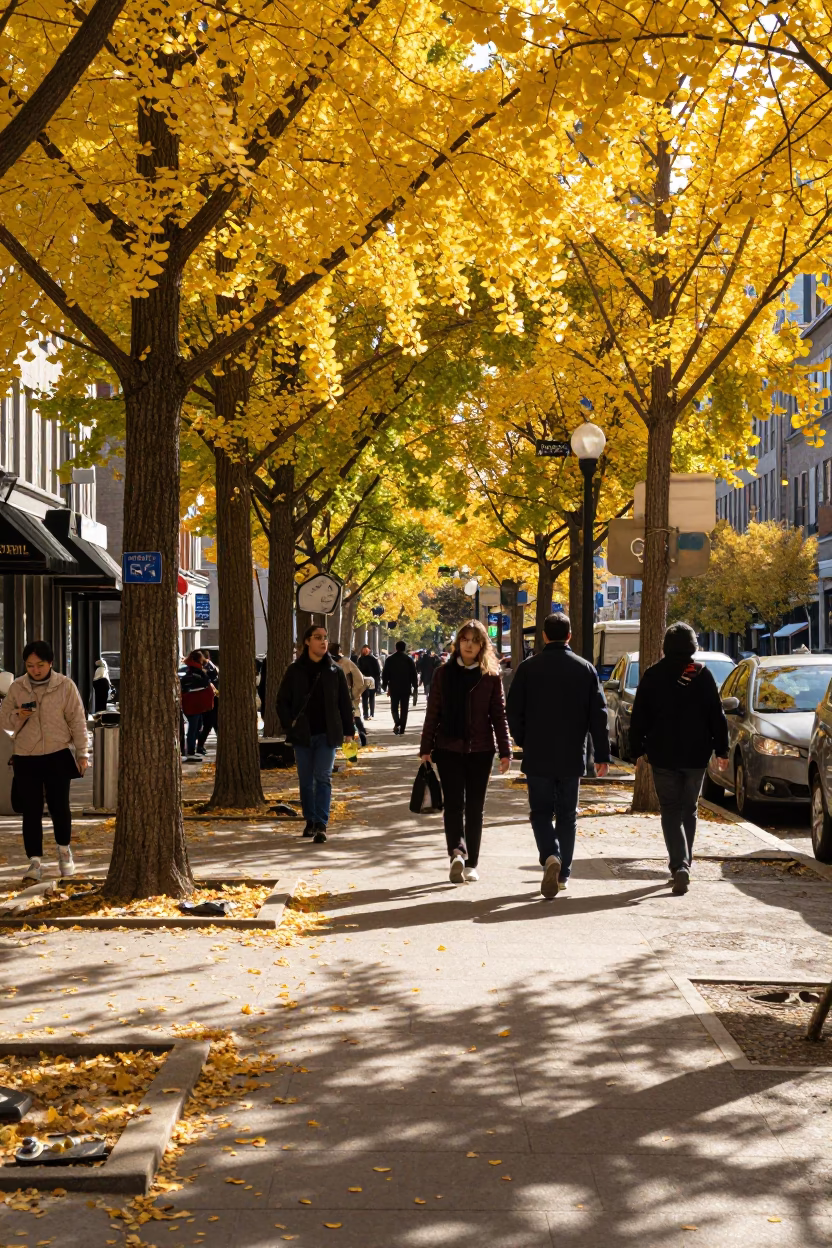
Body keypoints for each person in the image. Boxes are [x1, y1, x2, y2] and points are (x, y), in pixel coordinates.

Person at [506, 612, 610, 899]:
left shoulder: (528, 669)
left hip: (538, 752)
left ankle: (550, 855)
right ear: (570, 636)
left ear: (543, 635)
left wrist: (523, 739)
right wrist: (601, 754)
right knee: (567, 815)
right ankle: (563, 873)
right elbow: (598, 716)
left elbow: (513, 711)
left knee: (540, 812)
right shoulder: (585, 669)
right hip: (571, 753)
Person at [629, 621, 730, 896]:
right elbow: (716, 716)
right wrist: (722, 750)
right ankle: (686, 862)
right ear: (692, 646)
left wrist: (636, 750)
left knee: (670, 809)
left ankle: (679, 865)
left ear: (665, 646)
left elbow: (639, 716)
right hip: (696, 755)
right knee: (689, 808)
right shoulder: (703, 675)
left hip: (662, 754)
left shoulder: (652, 675)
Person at [420, 620, 511, 883]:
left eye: (474, 640)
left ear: (482, 644)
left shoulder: (491, 676)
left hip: (481, 750)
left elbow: (499, 716)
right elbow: (433, 712)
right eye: (464, 639)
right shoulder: (442, 674)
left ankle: (472, 863)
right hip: (448, 748)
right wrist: (426, 748)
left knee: (475, 808)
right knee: (453, 806)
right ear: (457, 643)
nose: (469, 644)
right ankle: (457, 854)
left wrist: (505, 751)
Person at [0, 640, 89, 882]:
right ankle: (34, 861)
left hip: (57, 753)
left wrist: (82, 753)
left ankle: (64, 851)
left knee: (60, 806)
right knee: (31, 810)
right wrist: (18, 715)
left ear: (50, 663)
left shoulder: (65, 686)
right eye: (30, 666)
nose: (35, 670)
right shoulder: (17, 688)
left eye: (40, 665)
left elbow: (78, 721)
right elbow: (4, 723)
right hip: (26, 756)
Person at [277, 624, 355, 843]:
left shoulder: (334, 671)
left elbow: (344, 703)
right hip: (302, 735)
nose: (323, 641)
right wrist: (288, 725)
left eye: (325, 638)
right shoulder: (294, 670)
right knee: (305, 781)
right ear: (307, 642)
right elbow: (281, 701)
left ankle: (321, 823)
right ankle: (309, 820)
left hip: (327, 735)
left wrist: (349, 732)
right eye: (318, 637)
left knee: (323, 777)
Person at [329, 641, 369, 745]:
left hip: (330, 695)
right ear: (339, 650)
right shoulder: (345, 662)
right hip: (346, 693)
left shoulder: (325, 662)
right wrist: (355, 692)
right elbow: (359, 679)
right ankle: (360, 735)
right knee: (352, 714)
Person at [180, 650, 216, 761]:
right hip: (193, 704)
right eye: (201, 658)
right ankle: (190, 751)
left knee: (197, 726)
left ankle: (192, 750)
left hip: (196, 704)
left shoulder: (195, 669)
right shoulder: (194, 670)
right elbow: (206, 679)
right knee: (193, 727)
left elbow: (212, 674)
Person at [382, 640, 418, 734]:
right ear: (404, 648)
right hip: (406, 687)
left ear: (396, 648)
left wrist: (384, 684)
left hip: (394, 687)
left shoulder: (390, 659)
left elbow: (385, 673)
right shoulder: (409, 660)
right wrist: (415, 686)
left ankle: (397, 722)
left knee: (394, 707)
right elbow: (414, 674)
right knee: (404, 708)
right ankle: (402, 728)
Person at [196, 651, 220, 755]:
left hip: (212, 700)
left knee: (213, 724)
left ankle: (201, 746)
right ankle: (200, 746)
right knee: (209, 724)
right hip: (210, 701)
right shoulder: (206, 669)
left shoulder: (208, 668)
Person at [356, 644, 382, 720]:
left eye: (366, 649)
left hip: (372, 681)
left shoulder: (373, 659)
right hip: (364, 680)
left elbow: (377, 672)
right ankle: (365, 714)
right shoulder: (360, 659)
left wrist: (377, 683)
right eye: (363, 649)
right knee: (364, 697)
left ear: (369, 650)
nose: (365, 651)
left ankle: (372, 713)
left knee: (371, 697)